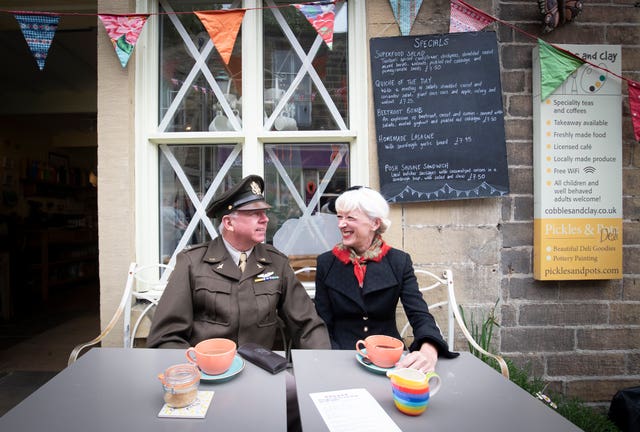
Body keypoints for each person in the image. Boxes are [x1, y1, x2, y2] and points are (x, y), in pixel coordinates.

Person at [148, 175, 330, 432]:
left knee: (299, 408)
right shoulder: (192, 263)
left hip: (261, 373)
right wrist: (191, 375)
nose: (265, 219)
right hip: (205, 378)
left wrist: (319, 371)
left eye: (264, 213)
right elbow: (165, 336)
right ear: (229, 222)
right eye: (254, 213)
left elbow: (308, 325)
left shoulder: (276, 263)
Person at [314, 186, 458, 373]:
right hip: (341, 356)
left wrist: (430, 348)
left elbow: (419, 314)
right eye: (340, 217)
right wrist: (335, 360)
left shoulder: (399, 262)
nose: (341, 224)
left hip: (390, 358)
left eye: (350, 218)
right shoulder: (326, 262)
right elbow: (323, 323)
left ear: (374, 224)